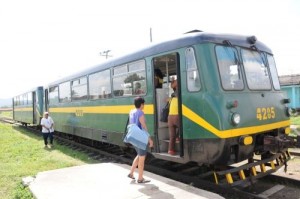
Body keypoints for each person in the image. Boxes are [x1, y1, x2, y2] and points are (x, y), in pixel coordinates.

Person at [128, 97, 153, 183]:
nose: (144, 105)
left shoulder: (131, 111)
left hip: (133, 136)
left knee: (139, 155)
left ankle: (131, 173)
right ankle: (140, 178)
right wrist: (149, 139)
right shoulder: (140, 112)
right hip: (140, 138)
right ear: (142, 104)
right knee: (142, 159)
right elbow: (144, 126)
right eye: (144, 104)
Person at [168, 79, 179, 155]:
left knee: (172, 136)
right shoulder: (178, 95)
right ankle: (178, 137)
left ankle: (171, 150)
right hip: (176, 117)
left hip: (169, 118)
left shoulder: (172, 97)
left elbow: (167, 101)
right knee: (183, 128)